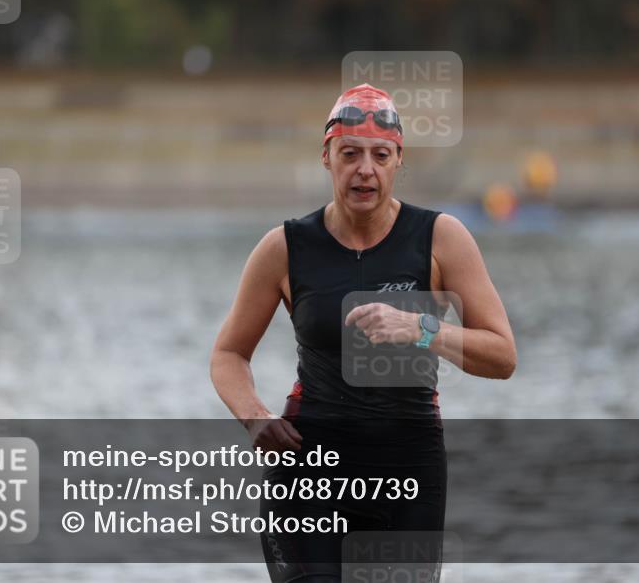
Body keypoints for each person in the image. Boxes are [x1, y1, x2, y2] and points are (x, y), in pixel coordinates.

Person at [210, 83, 517, 582]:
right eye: (349, 154)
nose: (365, 169)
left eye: (380, 155)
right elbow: (228, 353)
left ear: (400, 161)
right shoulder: (284, 247)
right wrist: (254, 415)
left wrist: (420, 327)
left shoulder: (440, 238)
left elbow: (502, 355)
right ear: (326, 158)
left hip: (408, 469)